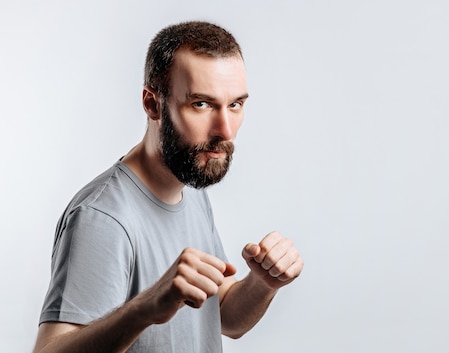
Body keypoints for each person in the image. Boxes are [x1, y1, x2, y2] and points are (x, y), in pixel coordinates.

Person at [32, 21, 304, 353]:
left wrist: (263, 283)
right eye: (201, 104)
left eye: (235, 104)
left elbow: (224, 318)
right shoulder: (102, 217)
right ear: (152, 104)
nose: (226, 130)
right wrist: (144, 309)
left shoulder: (190, 187)